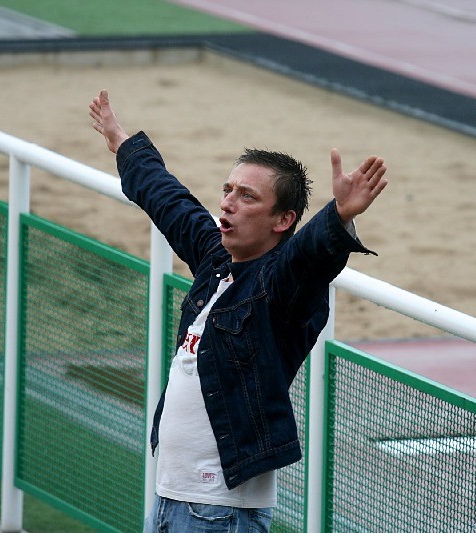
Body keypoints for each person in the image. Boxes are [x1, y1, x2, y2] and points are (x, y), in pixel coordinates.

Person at [89, 89, 389, 532]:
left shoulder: (280, 286)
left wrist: (339, 216)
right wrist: (123, 143)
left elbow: (308, 257)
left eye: (247, 196)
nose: (227, 202)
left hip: (219, 513)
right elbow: (170, 202)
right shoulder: (217, 259)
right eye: (227, 190)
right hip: (171, 499)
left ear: (283, 220)